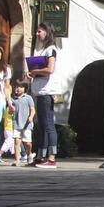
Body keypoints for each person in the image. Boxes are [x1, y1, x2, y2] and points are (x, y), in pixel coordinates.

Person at [27, 23, 60, 168]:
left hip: (46, 92)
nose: (37, 34)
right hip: (40, 92)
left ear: (46, 32)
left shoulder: (51, 50)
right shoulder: (43, 50)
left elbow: (50, 69)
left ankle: (51, 158)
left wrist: (35, 72)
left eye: (39, 31)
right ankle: (41, 156)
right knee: (42, 125)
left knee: (48, 125)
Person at [10, 82, 34, 166]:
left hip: (27, 124)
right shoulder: (12, 99)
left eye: (20, 87)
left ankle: (29, 154)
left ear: (25, 88)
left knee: (27, 143)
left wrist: (31, 117)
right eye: (16, 87)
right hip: (16, 123)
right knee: (17, 142)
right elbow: (10, 110)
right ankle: (17, 160)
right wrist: (11, 110)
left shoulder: (28, 98)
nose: (18, 89)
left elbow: (32, 109)